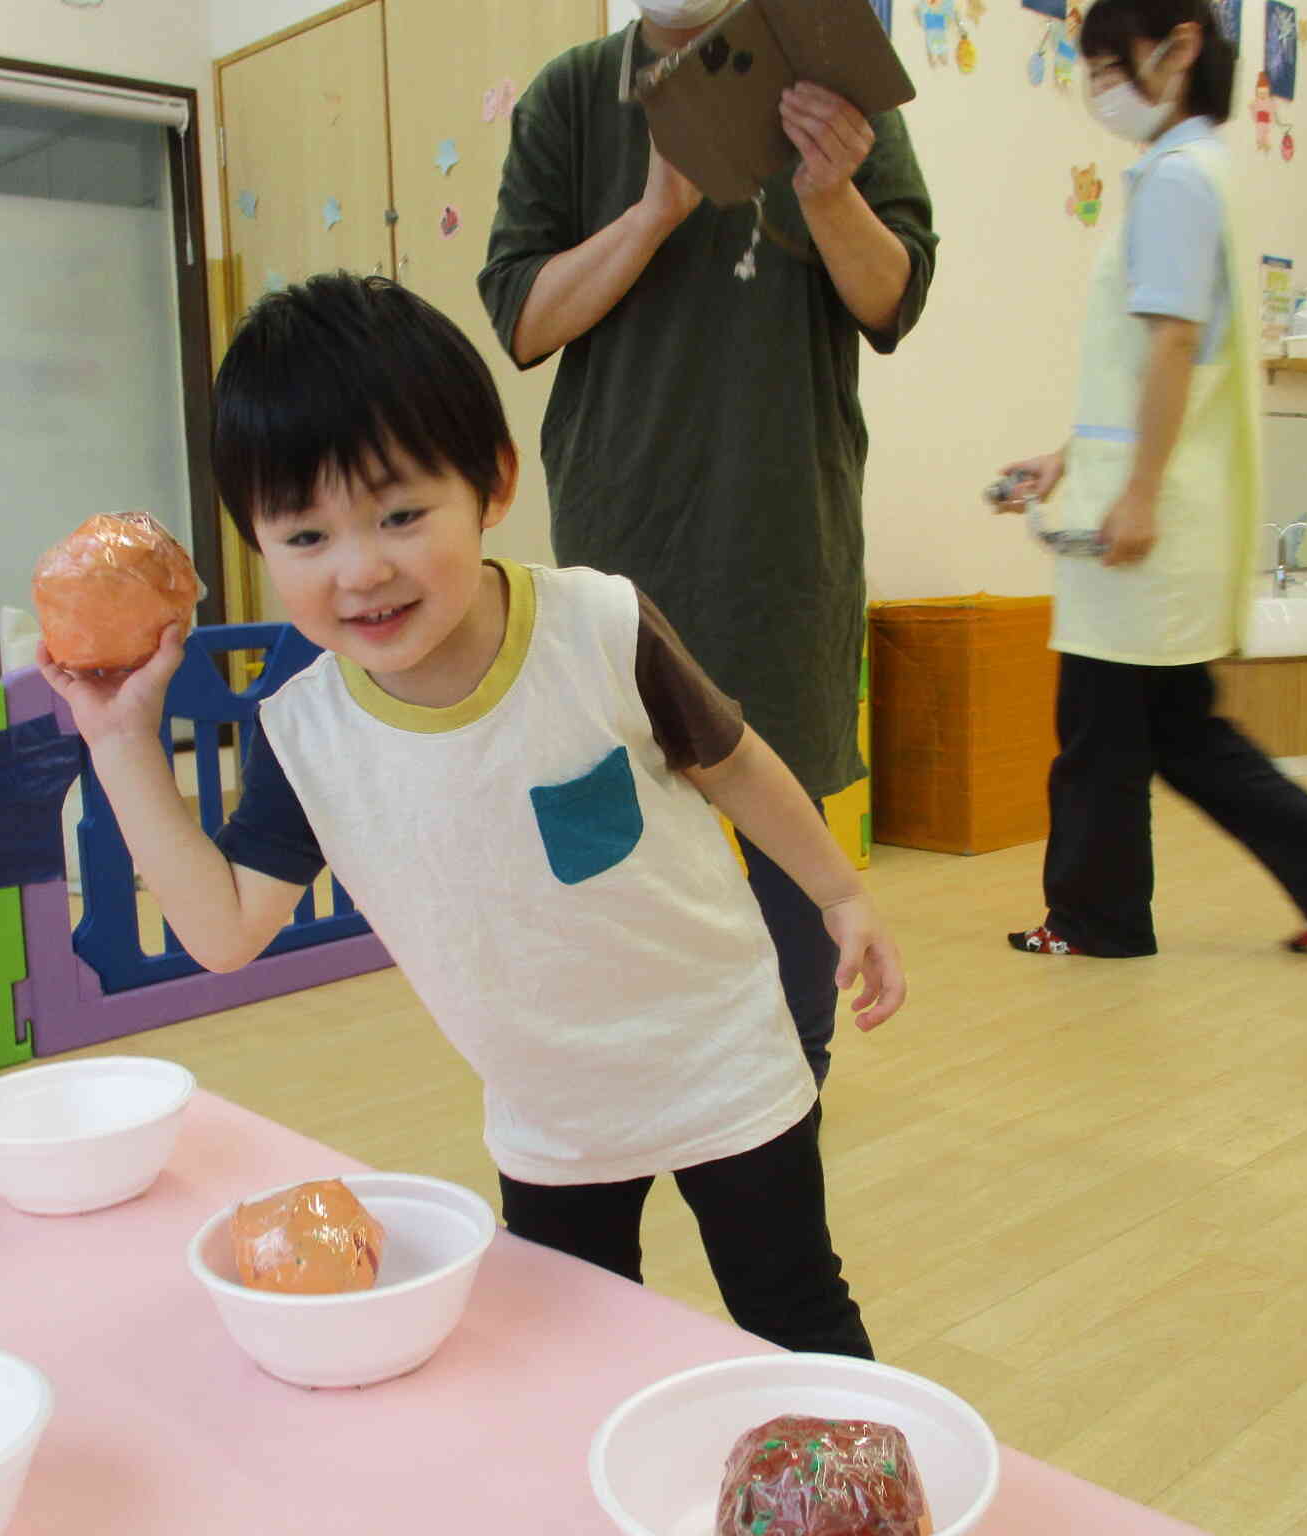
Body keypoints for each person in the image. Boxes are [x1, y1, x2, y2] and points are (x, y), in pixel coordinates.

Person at [38, 274, 905, 1358]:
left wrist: (837, 893)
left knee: (791, 1311)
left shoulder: (598, 625)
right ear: (253, 541)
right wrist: (120, 742)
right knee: (574, 1341)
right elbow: (221, 935)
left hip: (719, 1059)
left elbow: (732, 762)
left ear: (490, 483)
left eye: (401, 515)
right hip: (548, 1111)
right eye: (305, 537)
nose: (362, 570)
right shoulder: (301, 727)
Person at [477, 0, 937, 1091]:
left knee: (788, 846)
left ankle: (785, 1107)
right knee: (610, 840)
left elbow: (893, 295)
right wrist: (652, 213)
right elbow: (521, 318)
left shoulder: (832, 73)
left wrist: (827, 191)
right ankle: (612, 1094)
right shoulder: (571, 95)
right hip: (617, 537)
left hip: (782, 533)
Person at [994, 0, 1307, 959]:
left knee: (1098, 736)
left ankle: (1095, 922)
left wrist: (1134, 495)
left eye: (1104, 66)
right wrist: (1069, 458)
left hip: (1147, 515)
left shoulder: (1176, 181)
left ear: (1178, 49)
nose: (1095, 91)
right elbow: (1145, 366)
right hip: (1156, 495)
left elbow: (1172, 345)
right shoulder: (1198, 173)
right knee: (1176, 728)